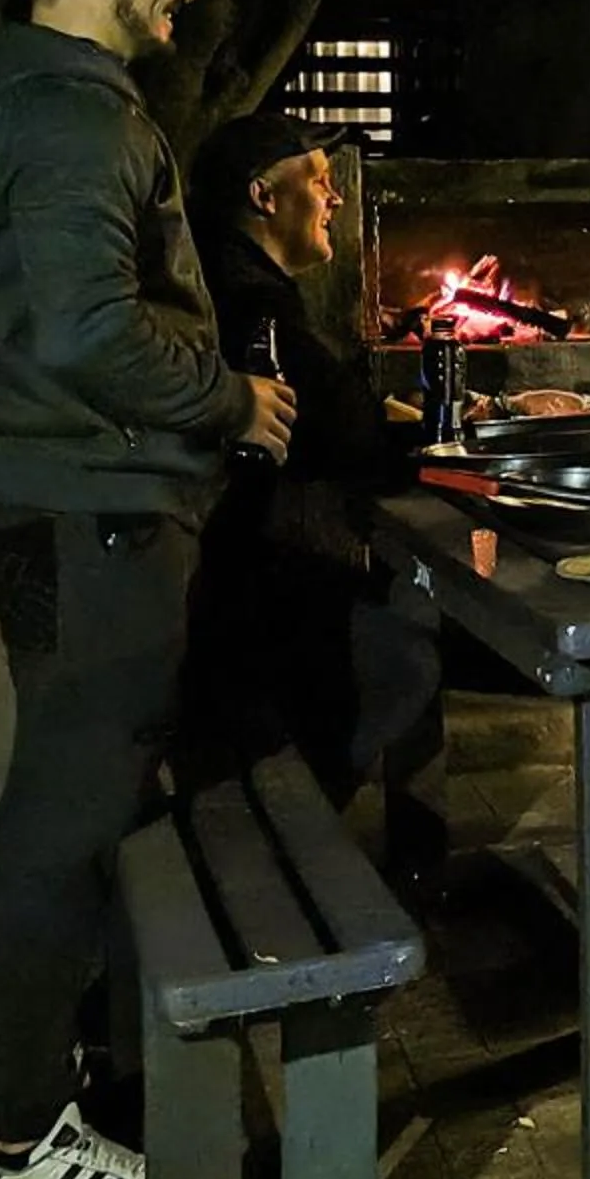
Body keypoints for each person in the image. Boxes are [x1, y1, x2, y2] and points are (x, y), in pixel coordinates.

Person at [0, 0, 297, 1179]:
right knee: (65, 815)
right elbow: (87, 331)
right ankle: (19, 1147)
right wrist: (232, 398)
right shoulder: (74, 121)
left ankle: (20, 1094)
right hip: (100, 508)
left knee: (69, 801)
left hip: (63, 501)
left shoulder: (34, 110)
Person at [182, 111, 408, 802]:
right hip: (264, 609)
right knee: (407, 652)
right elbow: (344, 433)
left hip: (248, 596)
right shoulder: (254, 310)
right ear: (264, 196)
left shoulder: (247, 293)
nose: (335, 198)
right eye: (318, 180)